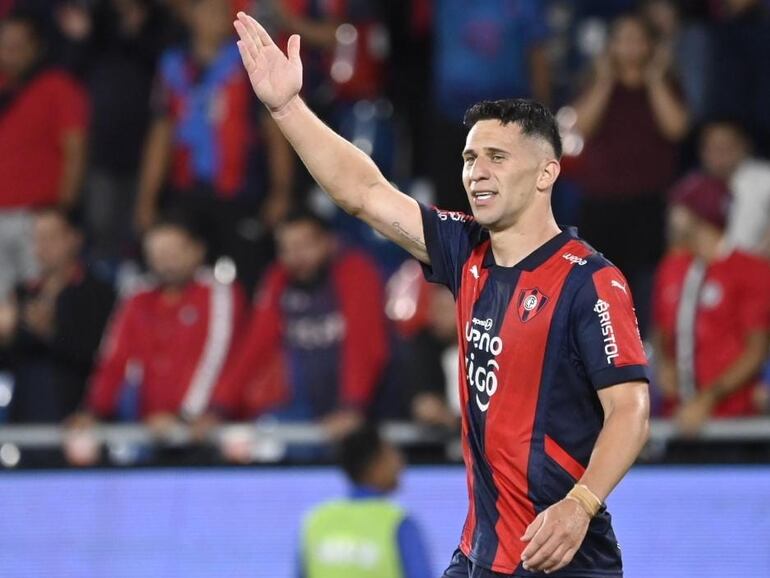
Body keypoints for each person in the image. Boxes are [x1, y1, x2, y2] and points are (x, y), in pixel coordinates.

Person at [233, 13, 650, 576]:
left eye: (497, 158)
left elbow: (629, 409)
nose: (476, 172)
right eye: (469, 158)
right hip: (480, 554)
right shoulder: (464, 249)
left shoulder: (590, 281)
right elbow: (364, 192)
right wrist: (287, 108)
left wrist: (580, 505)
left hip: (564, 557)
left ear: (547, 172)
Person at [134, 0, 294, 292]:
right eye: (208, 11)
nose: (218, 19)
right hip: (187, 191)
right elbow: (160, 135)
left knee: (246, 280)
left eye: (223, 12)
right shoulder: (172, 65)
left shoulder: (249, 60)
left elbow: (274, 129)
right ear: (189, 14)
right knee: (185, 280)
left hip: (240, 192)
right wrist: (147, 199)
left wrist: (281, 191)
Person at [209, 210, 389, 440]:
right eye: (286, 248)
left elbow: (365, 345)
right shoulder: (279, 279)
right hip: (305, 410)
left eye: (304, 245)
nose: (296, 256)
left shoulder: (356, 272)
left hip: (368, 408)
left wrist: (353, 407)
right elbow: (255, 347)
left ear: (330, 243)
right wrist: (219, 408)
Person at [570, 13, 689, 337]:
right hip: (601, 203)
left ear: (652, 45)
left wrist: (654, 79)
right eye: (622, 39)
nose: (630, 47)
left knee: (648, 287)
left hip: (649, 204)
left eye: (637, 39)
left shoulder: (666, 85)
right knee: (600, 287)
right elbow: (582, 125)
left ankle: (647, 351)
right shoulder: (595, 84)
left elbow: (676, 127)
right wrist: (606, 79)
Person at [72, 214, 246, 433]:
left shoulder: (218, 292)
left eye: (174, 252)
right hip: (148, 427)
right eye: (157, 253)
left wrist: (189, 415)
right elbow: (115, 358)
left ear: (197, 250)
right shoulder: (137, 297)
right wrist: (93, 411)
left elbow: (218, 355)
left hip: (203, 427)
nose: (166, 261)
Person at [652, 174, 770, 435]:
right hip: (675, 419)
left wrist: (708, 398)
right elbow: (659, 329)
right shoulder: (672, 269)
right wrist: (663, 364)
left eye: (679, 209)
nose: (672, 216)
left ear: (698, 216)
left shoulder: (751, 271)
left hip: (733, 421)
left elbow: (756, 350)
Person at [0, 13, 88, 299]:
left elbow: (75, 150)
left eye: (17, 46)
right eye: (5, 45)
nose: (9, 54)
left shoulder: (58, 86)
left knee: (39, 298)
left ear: (37, 47)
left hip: (37, 219)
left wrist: (62, 211)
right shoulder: (4, 89)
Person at [0, 208, 115, 422]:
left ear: (74, 238)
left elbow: (100, 355)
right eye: (36, 239)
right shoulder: (22, 293)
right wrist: (5, 337)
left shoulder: (98, 292)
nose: (41, 247)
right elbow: (10, 363)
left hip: (77, 420)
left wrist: (51, 332)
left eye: (50, 237)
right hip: (25, 420)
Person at [298, 424, 431, 578]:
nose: (400, 463)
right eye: (391, 455)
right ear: (375, 464)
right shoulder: (399, 524)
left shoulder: (315, 522)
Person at [699, 120, 770, 259]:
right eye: (712, 148)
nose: (719, 155)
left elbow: (741, 245)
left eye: (725, 147)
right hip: (722, 269)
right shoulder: (693, 188)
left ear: (744, 146)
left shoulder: (762, 178)